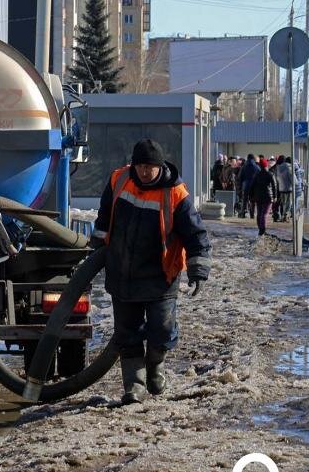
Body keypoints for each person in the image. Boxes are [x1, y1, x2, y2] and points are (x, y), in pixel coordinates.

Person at [91, 139, 211, 405]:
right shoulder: (119, 180)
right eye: (141, 166)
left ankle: (155, 365)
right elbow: (104, 216)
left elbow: (195, 233)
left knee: (162, 328)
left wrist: (198, 268)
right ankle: (134, 386)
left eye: (150, 167)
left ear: (160, 167)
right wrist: (96, 247)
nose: (145, 172)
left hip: (160, 276)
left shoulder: (176, 194)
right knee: (127, 332)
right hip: (123, 274)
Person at [249, 159, 278, 235]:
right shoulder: (270, 174)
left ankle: (260, 228)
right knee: (265, 214)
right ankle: (262, 230)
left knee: (259, 213)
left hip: (258, 197)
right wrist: (275, 196)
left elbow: (252, 186)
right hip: (268, 197)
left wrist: (251, 196)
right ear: (266, 165)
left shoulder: (256, 174)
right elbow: (274, 186)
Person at [237, 154, 260, 218]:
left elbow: (240, 177)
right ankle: (252, 214)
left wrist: (241, 185)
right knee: (252, 200)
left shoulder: (244, 166)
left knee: (244, 200)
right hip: (254, 186)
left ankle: (243, 213)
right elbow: (259, 175)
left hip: (245, 185)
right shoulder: (256, 166)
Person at [273, 155, 292, 221]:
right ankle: (284, 216)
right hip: (287, 188)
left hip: (279, 188)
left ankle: (278, 216)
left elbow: (276, 177)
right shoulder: (288, 167)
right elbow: (292, 178)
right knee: (287, 203)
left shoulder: (277, 167)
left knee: (282, 203)